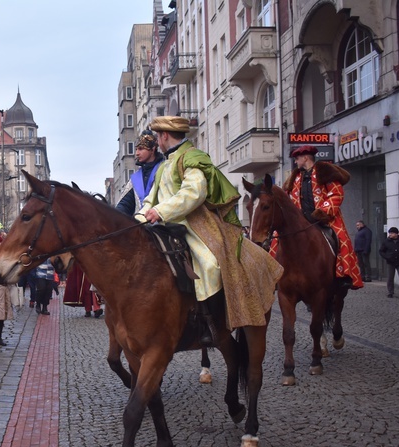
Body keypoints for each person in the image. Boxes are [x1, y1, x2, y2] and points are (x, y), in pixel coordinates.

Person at [137, 116, 282, 342]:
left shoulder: (192, 157)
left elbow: (194, 193)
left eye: (158, 136)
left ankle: (211, 324)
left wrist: (161, 211)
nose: (157, 140)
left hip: (191, 223)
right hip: (161, 225)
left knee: (210, 264)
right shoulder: (164, 165)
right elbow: (149, 199)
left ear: (164, 135)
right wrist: (140, 218)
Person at [283, 145, 363, 290]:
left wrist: (323, 212)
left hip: (325, 219)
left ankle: (344, 275)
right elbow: (289, 199)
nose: (295, 162)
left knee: (340, 239)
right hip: (301, 221)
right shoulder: (295, 178)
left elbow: (336, 194)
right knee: (279, 238)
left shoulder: (324, 171)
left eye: (297, 158)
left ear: (305, 157)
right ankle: (279, 273)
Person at [116, 131, 164, 216]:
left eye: (141, 149)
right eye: (136, 149)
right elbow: (125, 204)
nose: (137, 153)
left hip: (163, 223)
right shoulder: (135, 178)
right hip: (141, 224)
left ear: (152, 149)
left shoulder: (165, 169)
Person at [379, 227, 399, 298]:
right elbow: (381, 251)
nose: (390, 234)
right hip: (390, 262)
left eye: (392, 233)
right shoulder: (386, 241)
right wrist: (387, 256)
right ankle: (390, 292)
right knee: (390, 277)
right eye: (389, 233)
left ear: (396, 234)